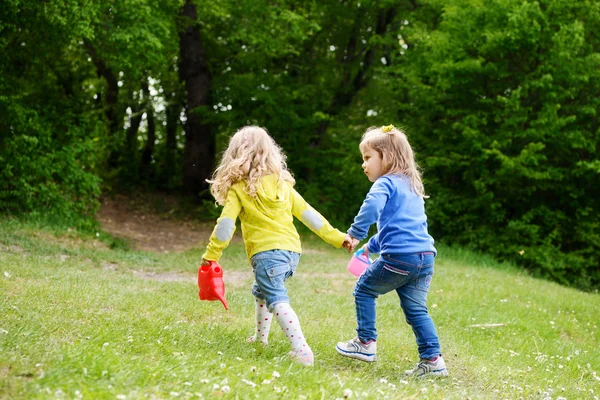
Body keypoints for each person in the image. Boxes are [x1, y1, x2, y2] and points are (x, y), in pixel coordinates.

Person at [201, 125, 354, 366]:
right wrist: (337, 237)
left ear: (236, 156)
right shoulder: (283, 185)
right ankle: (261, 339)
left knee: (277, 300)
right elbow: (309, 215)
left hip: (266, 254)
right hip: (291, 253)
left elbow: (225, 225)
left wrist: (212, 254)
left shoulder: (239, 189)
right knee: (261, 291)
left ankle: (302, 350)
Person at [336, 124, 448, 378]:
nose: (363, 165)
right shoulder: (411, 186)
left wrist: (355, 233)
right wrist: (371, 246)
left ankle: (365, 343)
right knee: (417, 310)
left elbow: (372, 207)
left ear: (386, 157)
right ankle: (433, 361)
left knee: (364, 289)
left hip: (399, 258)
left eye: (367, 158)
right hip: (424, 258)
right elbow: (399, 228)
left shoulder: (384, 184)